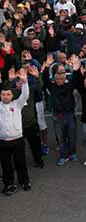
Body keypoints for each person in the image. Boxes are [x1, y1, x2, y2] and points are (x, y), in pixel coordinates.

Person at [42, 54, 78, 166]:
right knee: (61, 138)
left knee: (72, 136)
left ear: (65, 78)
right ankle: (63, 156)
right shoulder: (52, 87)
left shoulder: (69, 86)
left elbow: (76, 79)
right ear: (54, 78)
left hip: (70, 114)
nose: (59, 80)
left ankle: (72, 153)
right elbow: (45, 79)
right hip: (58, 115)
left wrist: (75, 69)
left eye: (61, 78)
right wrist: (47, 66)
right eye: (57, 79)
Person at [0, 68, 30, 196]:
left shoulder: (17, 105)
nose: (6, 96)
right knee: (6, 165)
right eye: (3, 94)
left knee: (20, 162)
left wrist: (25, 82)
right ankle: (8, 184)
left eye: (8, 94)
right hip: (3, 141)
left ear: (12, 95)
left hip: (18, 140)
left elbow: (25, 95)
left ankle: (24, 181)